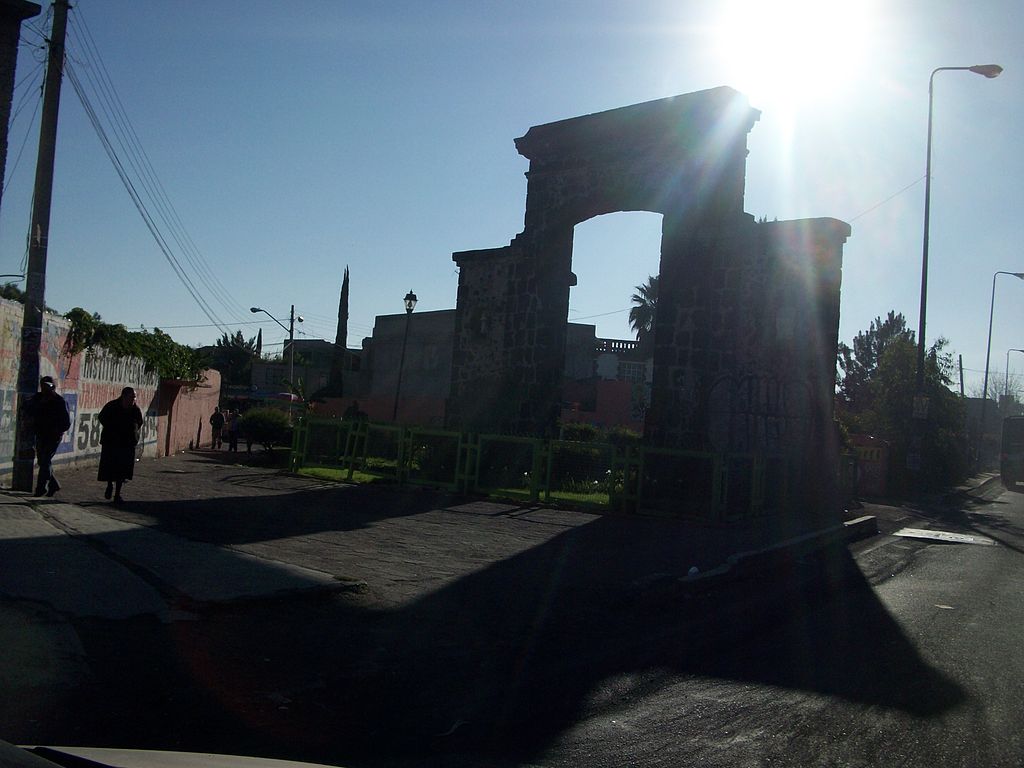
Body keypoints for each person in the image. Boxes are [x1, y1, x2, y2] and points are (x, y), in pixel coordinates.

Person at [97, 386, 144, 503]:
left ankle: (117, 494)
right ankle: (109, 485)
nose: (133, 399)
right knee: (110, 466)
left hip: (127, 443)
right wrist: (112, 428)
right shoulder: (112, 406)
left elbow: (139, 422)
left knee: (122, 470)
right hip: (111, 442)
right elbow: (102, 417)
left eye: (134, 397)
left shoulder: (135, 410)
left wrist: (133, 433)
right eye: (131, 397)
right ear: (124, 396)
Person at [27, 375, 71, 497]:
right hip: (41, 434)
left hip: (53, 436)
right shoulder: (38, 398)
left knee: (45, 460)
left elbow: (66, 422)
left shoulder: (59, 402)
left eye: (48, 386)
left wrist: (58, 430)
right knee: (43, 461)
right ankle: (53, 485)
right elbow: (28, 408)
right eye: (44, 386)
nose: (46, 389)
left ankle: (40, 488)